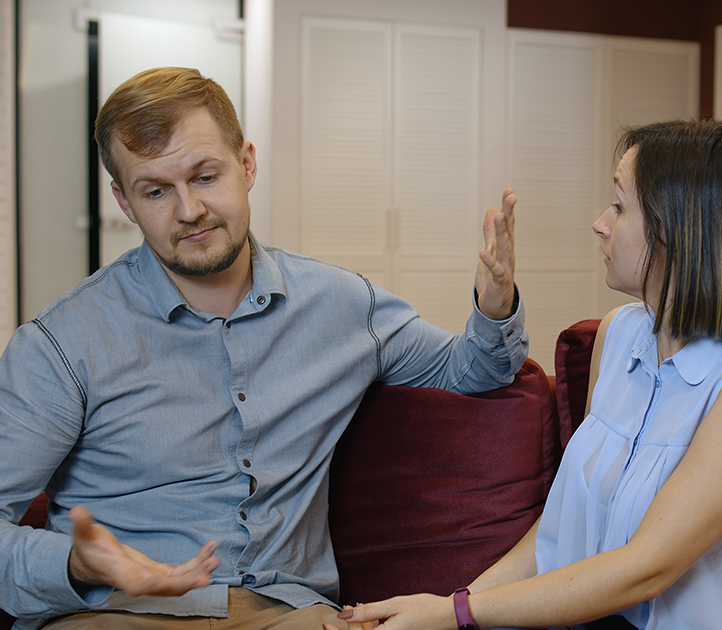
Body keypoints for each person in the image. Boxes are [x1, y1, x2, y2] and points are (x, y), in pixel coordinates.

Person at [0, 67, 527, 629]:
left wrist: (494, 308)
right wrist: (75, 564)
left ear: (247, 165)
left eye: (205, 177)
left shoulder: (342, 305)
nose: (189, 210)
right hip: (119, 611)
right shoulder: (62, 344)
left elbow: (471, 370)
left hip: (287, 611)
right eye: (155, 191)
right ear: (124, 202)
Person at [332, 120, 722, 630]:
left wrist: (454, 614)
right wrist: (448, 608)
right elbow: (560, 534)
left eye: (620, 206)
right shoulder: (620, 333)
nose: (600, 224)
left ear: (679, 226)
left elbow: (646, 568)